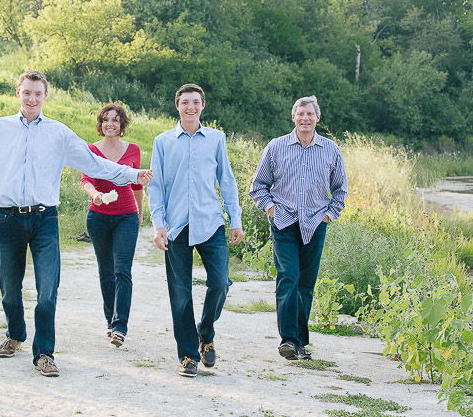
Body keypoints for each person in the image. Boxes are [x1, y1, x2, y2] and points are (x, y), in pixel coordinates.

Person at [0, 71, 153, 377]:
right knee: (8, 288)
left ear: (45, 96)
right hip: (7, 219)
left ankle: (44, 353)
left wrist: (131, 175)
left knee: (48, 289)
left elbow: (94, 164)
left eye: (38, 94)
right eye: (27, 93)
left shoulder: (59, 133)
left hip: (45, 218)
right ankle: (15, 333)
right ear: (18, 93)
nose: (32, 99)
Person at [148, 83, 244, 378]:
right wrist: (158, 225)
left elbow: (226, 180)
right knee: (180, 293)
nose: (190, 107)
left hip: (210, 222)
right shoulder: (163, 141)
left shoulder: (215, 139)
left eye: (195, 102)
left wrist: (235, 218)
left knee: (220, 282)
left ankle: (205, 332)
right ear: (177, 106)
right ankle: (188, 355)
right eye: (185, 102)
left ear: (203, 106)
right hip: (176, 226)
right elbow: (156, 186)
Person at [249, 95, 347, 361]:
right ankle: (288, 340)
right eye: (300, 114)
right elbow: (258, 186)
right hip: (284, 222)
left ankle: (301, 341)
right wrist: (271, 209)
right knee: (288, 277)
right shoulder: (277, 147)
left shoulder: (330, 149)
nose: (305, 119)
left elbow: (340, 190)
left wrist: (329, 214)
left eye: (310, 114)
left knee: (306, 284)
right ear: (293, 117)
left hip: (315, 224)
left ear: (317, 118)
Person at [80, 103, 143, 348]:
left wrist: (139, 215)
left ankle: (120, 327)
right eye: (106, 120)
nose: (110, 124)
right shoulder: (92, 150)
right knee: (106, 271)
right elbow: (86, 179)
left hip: (126, 216)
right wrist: (94, 193)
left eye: (115, 120)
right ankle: (110, 321)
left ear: (122, 124)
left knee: (122, 271)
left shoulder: (133, 150)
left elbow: (138, 185)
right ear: (100, 123)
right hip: (98, 216)